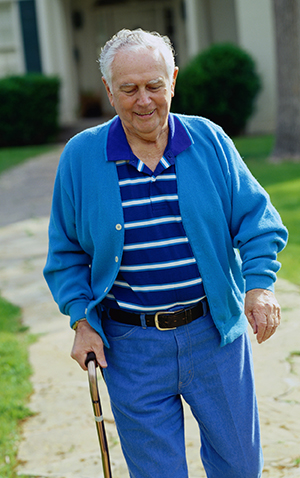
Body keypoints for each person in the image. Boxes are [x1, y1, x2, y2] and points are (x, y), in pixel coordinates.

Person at [44, 28, 288, 478]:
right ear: (109, 91)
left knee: (239, 466)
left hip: (213, 335)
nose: (143, 100)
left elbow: (258, 222)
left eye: (154, 86)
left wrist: (259, 287)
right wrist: (82, 321)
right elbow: (66, 254)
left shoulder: (208, 141)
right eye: (129, 88)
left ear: (173, 80)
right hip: (131, 347)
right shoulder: (81, 157)